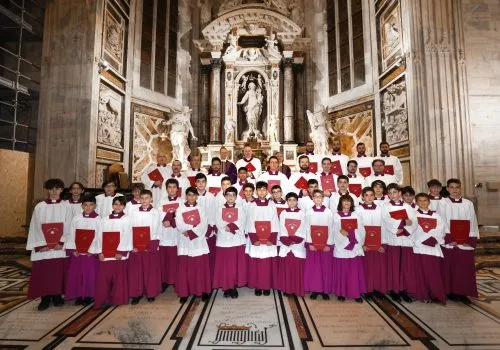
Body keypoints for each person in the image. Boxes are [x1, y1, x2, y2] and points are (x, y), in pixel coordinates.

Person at [27, 178, 73, 311]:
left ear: (61, 190)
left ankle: (57, 296)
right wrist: (42, 244)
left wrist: (61, 242)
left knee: (58, 272)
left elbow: (69, 224)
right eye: (51, 188)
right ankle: (45, 298)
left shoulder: (67, 206)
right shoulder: (40, 206)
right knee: (44, 273)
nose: (54, 191)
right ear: (47, 190)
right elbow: (35, 226)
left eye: (57, 188)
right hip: (44, 247)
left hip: (59, 246)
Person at [441, 178, 479, 303]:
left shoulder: (468, 204)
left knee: (463, 269)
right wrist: (450, 239)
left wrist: (467, 239)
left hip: (464, 242)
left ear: (460, 188)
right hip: (450, 242)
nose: (454, 190)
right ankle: (450, 291)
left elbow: (472, 222)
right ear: (447, 189)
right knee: (450, 268)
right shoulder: (443, 203)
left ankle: (463, 292)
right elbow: (441, 222)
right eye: (451, 187)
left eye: (457, 187)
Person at [91, 196, 132, 309]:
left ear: (124, 206)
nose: (118, 207)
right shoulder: (104, 219)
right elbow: (98, 236)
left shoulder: (127, 219)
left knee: (119, 279)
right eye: (116, 204)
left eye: (120, 205)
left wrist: (121, 251)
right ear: (112, 205)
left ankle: (118, 299)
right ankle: (102, 299)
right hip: (106, 255)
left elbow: (127, 236)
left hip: (119, 255)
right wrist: (99, 252)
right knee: (104, 279)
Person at [381, 183, 418, 302]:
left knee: (405, 266)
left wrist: (406, 229)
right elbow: (386, 220)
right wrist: (403, 223)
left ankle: (404, 290)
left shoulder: (408, 207)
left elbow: (414, 221)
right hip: (393, 239)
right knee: (394, 266)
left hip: (406, 240)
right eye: (390, 193)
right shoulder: (385, 206)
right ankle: (394, 290)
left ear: (400, 193)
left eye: (395, 192)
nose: (393, 195)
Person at [175, 187, 211, 303]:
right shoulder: (180, 209)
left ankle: (204, 290)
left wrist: (192, 232)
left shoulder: (201, 208)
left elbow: (204, 223)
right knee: (185, 269)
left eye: (194, 195)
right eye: (189, 195)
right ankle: (184, 293)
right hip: (185, 240)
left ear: (197, 196)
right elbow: (179, 223)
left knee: (200, 268)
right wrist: (188, 230)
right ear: (186, 196)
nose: (191, 197)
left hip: (198, 240)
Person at [64, 196, 100, 306]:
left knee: (90, 274)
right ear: (82, 206)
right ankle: (79, 295)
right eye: (85, 205)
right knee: (77, 274)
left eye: (90, 205)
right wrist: (73, 249)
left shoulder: (99, 219)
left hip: (91, 254)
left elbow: (99, 236)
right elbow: (71, 234)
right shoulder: (76, 218)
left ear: (95, 206)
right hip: (78, 253)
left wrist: (92, 250)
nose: (88, 207)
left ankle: (89, 295)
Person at [245, 181, 279, 296]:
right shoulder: (252, 205)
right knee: (257, 263)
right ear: (256, 191)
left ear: (267, 191)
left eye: (264, 189)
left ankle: (267, 286)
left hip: (268, 239)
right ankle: (258, 286)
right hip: (257, 241)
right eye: (259, 190)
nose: (261, 192)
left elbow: (275, 222)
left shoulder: (272, 205)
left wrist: (272, 238)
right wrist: (254, 239)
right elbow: (249, 222)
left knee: (267, 264)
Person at [127, 190, 162, 304]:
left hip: (149, 247)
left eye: (147, 198)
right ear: (139, 199)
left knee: (149, 271)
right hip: (137, 247)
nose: (145, 200)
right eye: (142, 198)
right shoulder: (133, 212)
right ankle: (137, 293)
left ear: (151, 199)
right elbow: (130, 228)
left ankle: (150, 293)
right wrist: (133, 245)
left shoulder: (155, 212)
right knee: (137, 271)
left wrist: (151, 246)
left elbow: (157, 229)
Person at [213, 187, 247, 298]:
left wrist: (230, 227)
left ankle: (233, 287)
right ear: (225, 196)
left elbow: (242, 220)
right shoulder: (219, 209)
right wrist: (225, 228)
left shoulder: (240, 208)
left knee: (234, 266)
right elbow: (218, 221)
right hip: (223, 241)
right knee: (225, 266)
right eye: (228, 195)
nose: (231, 197)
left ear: (236, 197)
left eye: (233, 195)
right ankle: (225, 287)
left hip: (236, 240)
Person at [413, 193, 447, 304]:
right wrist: (424, 239)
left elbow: (441, 229)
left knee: (434, 273)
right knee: (421, 273)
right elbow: (412, 229)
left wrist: (430, 239)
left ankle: (436, 295)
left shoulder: (436, 216)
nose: (423, 203)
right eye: (420, 201)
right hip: (419, 248)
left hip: (433, 247)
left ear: (429, 202)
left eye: (425, 200)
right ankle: (423, 295)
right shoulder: (413, 215)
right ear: (416, 202)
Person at [332, 195, 366, 302]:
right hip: (341, 247)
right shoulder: (336, 216)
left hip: (354, 247)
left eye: (348, 201)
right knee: (342, 271)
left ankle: (355, 293)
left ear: (351, 203)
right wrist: (342, 234)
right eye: (344, 201)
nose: (346, 203)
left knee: (353, 272)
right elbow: (334, 230)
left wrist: (351, 236)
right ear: (340, 203)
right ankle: (341, 293)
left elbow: (361, 230)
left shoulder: (356, 215)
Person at [356, 187, 387, 299]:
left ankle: (377, 289)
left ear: (374, 196)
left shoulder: (380, 209)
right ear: (362, 197)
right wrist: (361, 245)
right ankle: (367, 290)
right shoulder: (358, 210)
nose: (369, 197)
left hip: (378, 244)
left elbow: (384, 227)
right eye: (366, 195)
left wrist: (382, 244)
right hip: (365, 245)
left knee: (378, 268)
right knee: (366, 268)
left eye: (371, 195)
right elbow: (357, 229)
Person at [304, 189, 334, 300]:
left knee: (325, 268)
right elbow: (306, 228)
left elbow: (331, 229)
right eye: (315, 196)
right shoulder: (309, 212)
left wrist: (329, 244)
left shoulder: (328, 212)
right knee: (315, 268)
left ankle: (325, 290)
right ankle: (315, 290)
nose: (317, 198)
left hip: (325, 245)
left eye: (319, 196)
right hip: (313, 245)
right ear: (312, 198)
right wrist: (310, 243)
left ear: (323, 198)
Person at [277, 192, 306, 296]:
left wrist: (295, 240)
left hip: (298, 244)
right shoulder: (283, 213)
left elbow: (303, 227)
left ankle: (297, 289)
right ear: (287, 202)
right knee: (288, 268)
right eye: (289, 200)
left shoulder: (302, 213)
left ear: (297, 201)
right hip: (286, 244)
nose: (292, 202)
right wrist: (287, 240)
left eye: (294, 200)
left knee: (296, 268)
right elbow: (282, 227)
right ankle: (287, 289)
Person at [156, 178, 183, 292]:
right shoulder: (161, 201)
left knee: (175, 259)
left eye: (174, 187)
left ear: (177, 189)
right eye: (169, 187)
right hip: (164, 233)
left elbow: (182, 216)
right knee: (165, 260)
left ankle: (176, 280)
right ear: (166, 189)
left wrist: (171, 221)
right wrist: (167, 218)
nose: (172, 189)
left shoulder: (182, 201)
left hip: (176, 233)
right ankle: (165, 281)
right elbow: (157, 215)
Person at [194, 173, 217, 280]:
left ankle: (209, 280)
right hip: (195, 231)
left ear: (206, 183)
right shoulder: (192, 196)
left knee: (208, 258)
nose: (201, 184)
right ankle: (198, 279)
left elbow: (213, 213)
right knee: (197, 258)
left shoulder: (211, 197)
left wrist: (210, 228)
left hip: (208, 232)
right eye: (198, 181)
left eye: (203, 181)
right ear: (195, 183)